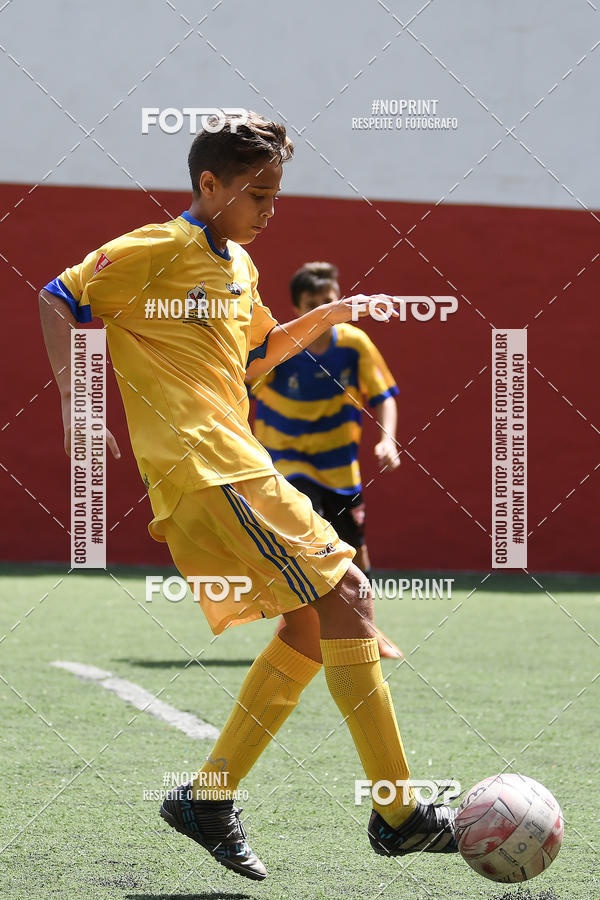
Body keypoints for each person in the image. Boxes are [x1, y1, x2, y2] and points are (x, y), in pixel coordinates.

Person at [39, 110, 457, 883]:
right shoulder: (157, 248)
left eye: (276, 195)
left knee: (311, 626)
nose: (270, 210)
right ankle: (399, 812)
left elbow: (258, 353)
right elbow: (58, 296)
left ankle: (208, 799)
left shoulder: (240, 267)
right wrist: (78, 399)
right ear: (210, 185)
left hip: (235, 464)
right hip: (209, 468)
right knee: (351, 593)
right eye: (258, 195)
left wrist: (328, 316)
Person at [250, 261, 403, 659]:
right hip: (287, 462)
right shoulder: (283, 344)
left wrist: (388, 440)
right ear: (298, 309)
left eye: (329, 299)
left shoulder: (354, 343)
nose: (323, 307)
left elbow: (384, 396)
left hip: (339, 467)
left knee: (355, 550)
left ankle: (367, 628)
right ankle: (301, 628)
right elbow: (242, 386)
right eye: (313, 303)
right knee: (310, 542)